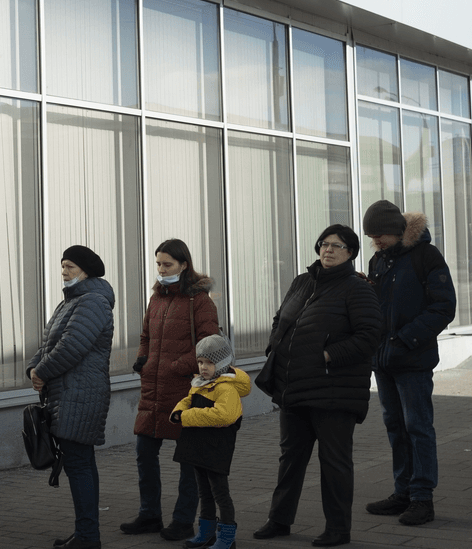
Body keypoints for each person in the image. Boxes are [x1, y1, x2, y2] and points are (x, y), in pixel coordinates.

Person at [254, 224, 381, 549]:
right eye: (324, 243)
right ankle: (279, 520)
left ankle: (338, 529)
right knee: (290, 458)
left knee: (334, 461)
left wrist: (328, 355)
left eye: (337, 245)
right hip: (294, 387)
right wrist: (275, 346)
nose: (328, 249)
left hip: (334, 391)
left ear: (350, 252)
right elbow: (280, 317)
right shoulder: (303, 281)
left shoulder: (357, 289)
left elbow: (369, 336)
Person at [359, 201, 455, 526]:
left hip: (413, 359)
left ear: (396, 230)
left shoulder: (426, 256)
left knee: (418, 428)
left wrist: (404, 339)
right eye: (372, 236)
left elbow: (444, 306)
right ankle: (402, 491)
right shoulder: (378, 260)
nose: (376, 241)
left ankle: (422, 498)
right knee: (395, 428)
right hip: (383, 360)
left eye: (379, 235)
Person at [123, 239, 220, 542]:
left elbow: (210, 346)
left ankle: (182, 520)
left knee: (188, 460)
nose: (161, 270)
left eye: (167, 264)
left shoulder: (199, 301)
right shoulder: (157, 298)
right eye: (158, 264)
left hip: (185, 390)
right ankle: (149, 514)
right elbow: (145, 335)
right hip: (153, 389)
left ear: (184, 265)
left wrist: (175, 366)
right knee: (144, 452)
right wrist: (144, 359)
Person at [28, 246, 115, 549]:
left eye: (70, 266)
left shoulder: (93, 302)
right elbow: (48, 341)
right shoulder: (70, 302)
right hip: (68, 394)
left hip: (81, 395)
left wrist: (42, 372)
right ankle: (85, 533)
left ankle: (88, 537)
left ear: (86, 270)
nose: (63, 272)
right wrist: (34, 369)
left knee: (79, 465)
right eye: (62, 266)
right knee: (81, 463)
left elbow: (71, 347)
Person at [169, 335, 248, 549]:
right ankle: (206, 532)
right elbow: (189, 399)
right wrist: (178, 410)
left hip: (216, 449)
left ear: (221, 363)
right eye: (201, 362)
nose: (203, 367)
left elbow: (224, 416)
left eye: (209, 363)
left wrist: (187, 416)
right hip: (199, 447)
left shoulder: (226, 387)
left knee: (220, 493)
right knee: (203, 491)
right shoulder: (201, 383)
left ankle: (227, 536)